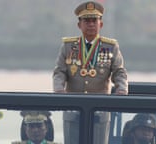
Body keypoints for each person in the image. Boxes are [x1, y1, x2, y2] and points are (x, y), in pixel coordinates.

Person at [52, 1, 128, 144]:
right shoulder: (68, 46)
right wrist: (58, 89)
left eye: (94, 20)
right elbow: (59, 72)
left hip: (100, 111)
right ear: (79, 25)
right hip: (73, 111)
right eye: (87, 20)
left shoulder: (110, 47)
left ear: (101, 24)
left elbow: (119, 72)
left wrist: (122, 89)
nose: (91, 24)